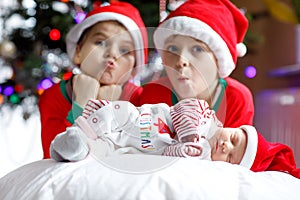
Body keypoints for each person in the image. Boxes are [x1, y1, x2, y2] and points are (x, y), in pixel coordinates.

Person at [50, 98, 300, 178]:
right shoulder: (207, 118)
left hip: (135, 148)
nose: (226, 145)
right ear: (233, 127)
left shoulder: (203, 162)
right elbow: (185, 108)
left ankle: (74, 149)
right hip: (140, 121)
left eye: (231, 156)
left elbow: (166, 157)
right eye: (234, 138)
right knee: (119, 112)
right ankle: (80, 133)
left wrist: (180, 153)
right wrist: (190, 134)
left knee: (105, 151)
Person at [38, 1, 148, 158]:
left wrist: (110, 111)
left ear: (133, 68)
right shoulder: (52, 96)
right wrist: (82, 103)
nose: (112, 54)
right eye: (100, 42)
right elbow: (55, 157)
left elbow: (142, 153)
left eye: (125, 50)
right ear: (78, 52)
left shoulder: (140, 98)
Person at [139, 0, 254, 128]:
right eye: (172, 49)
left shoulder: (236, 98)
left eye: (198, 49)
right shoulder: (152, 94)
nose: (181, 60)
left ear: (218, 60)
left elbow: (233, 146)